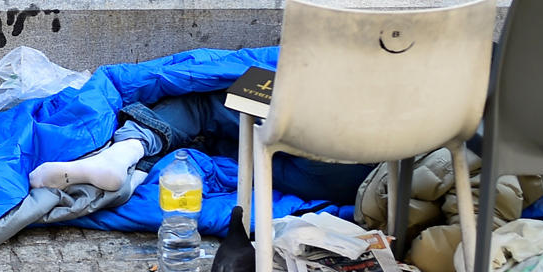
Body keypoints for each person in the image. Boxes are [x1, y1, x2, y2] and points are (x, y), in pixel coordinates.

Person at [29, 91, 372, 205]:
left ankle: (124, 154)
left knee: (208, 99)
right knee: (218, 144)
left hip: (326, 133)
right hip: (354, 185)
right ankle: (133, 176)